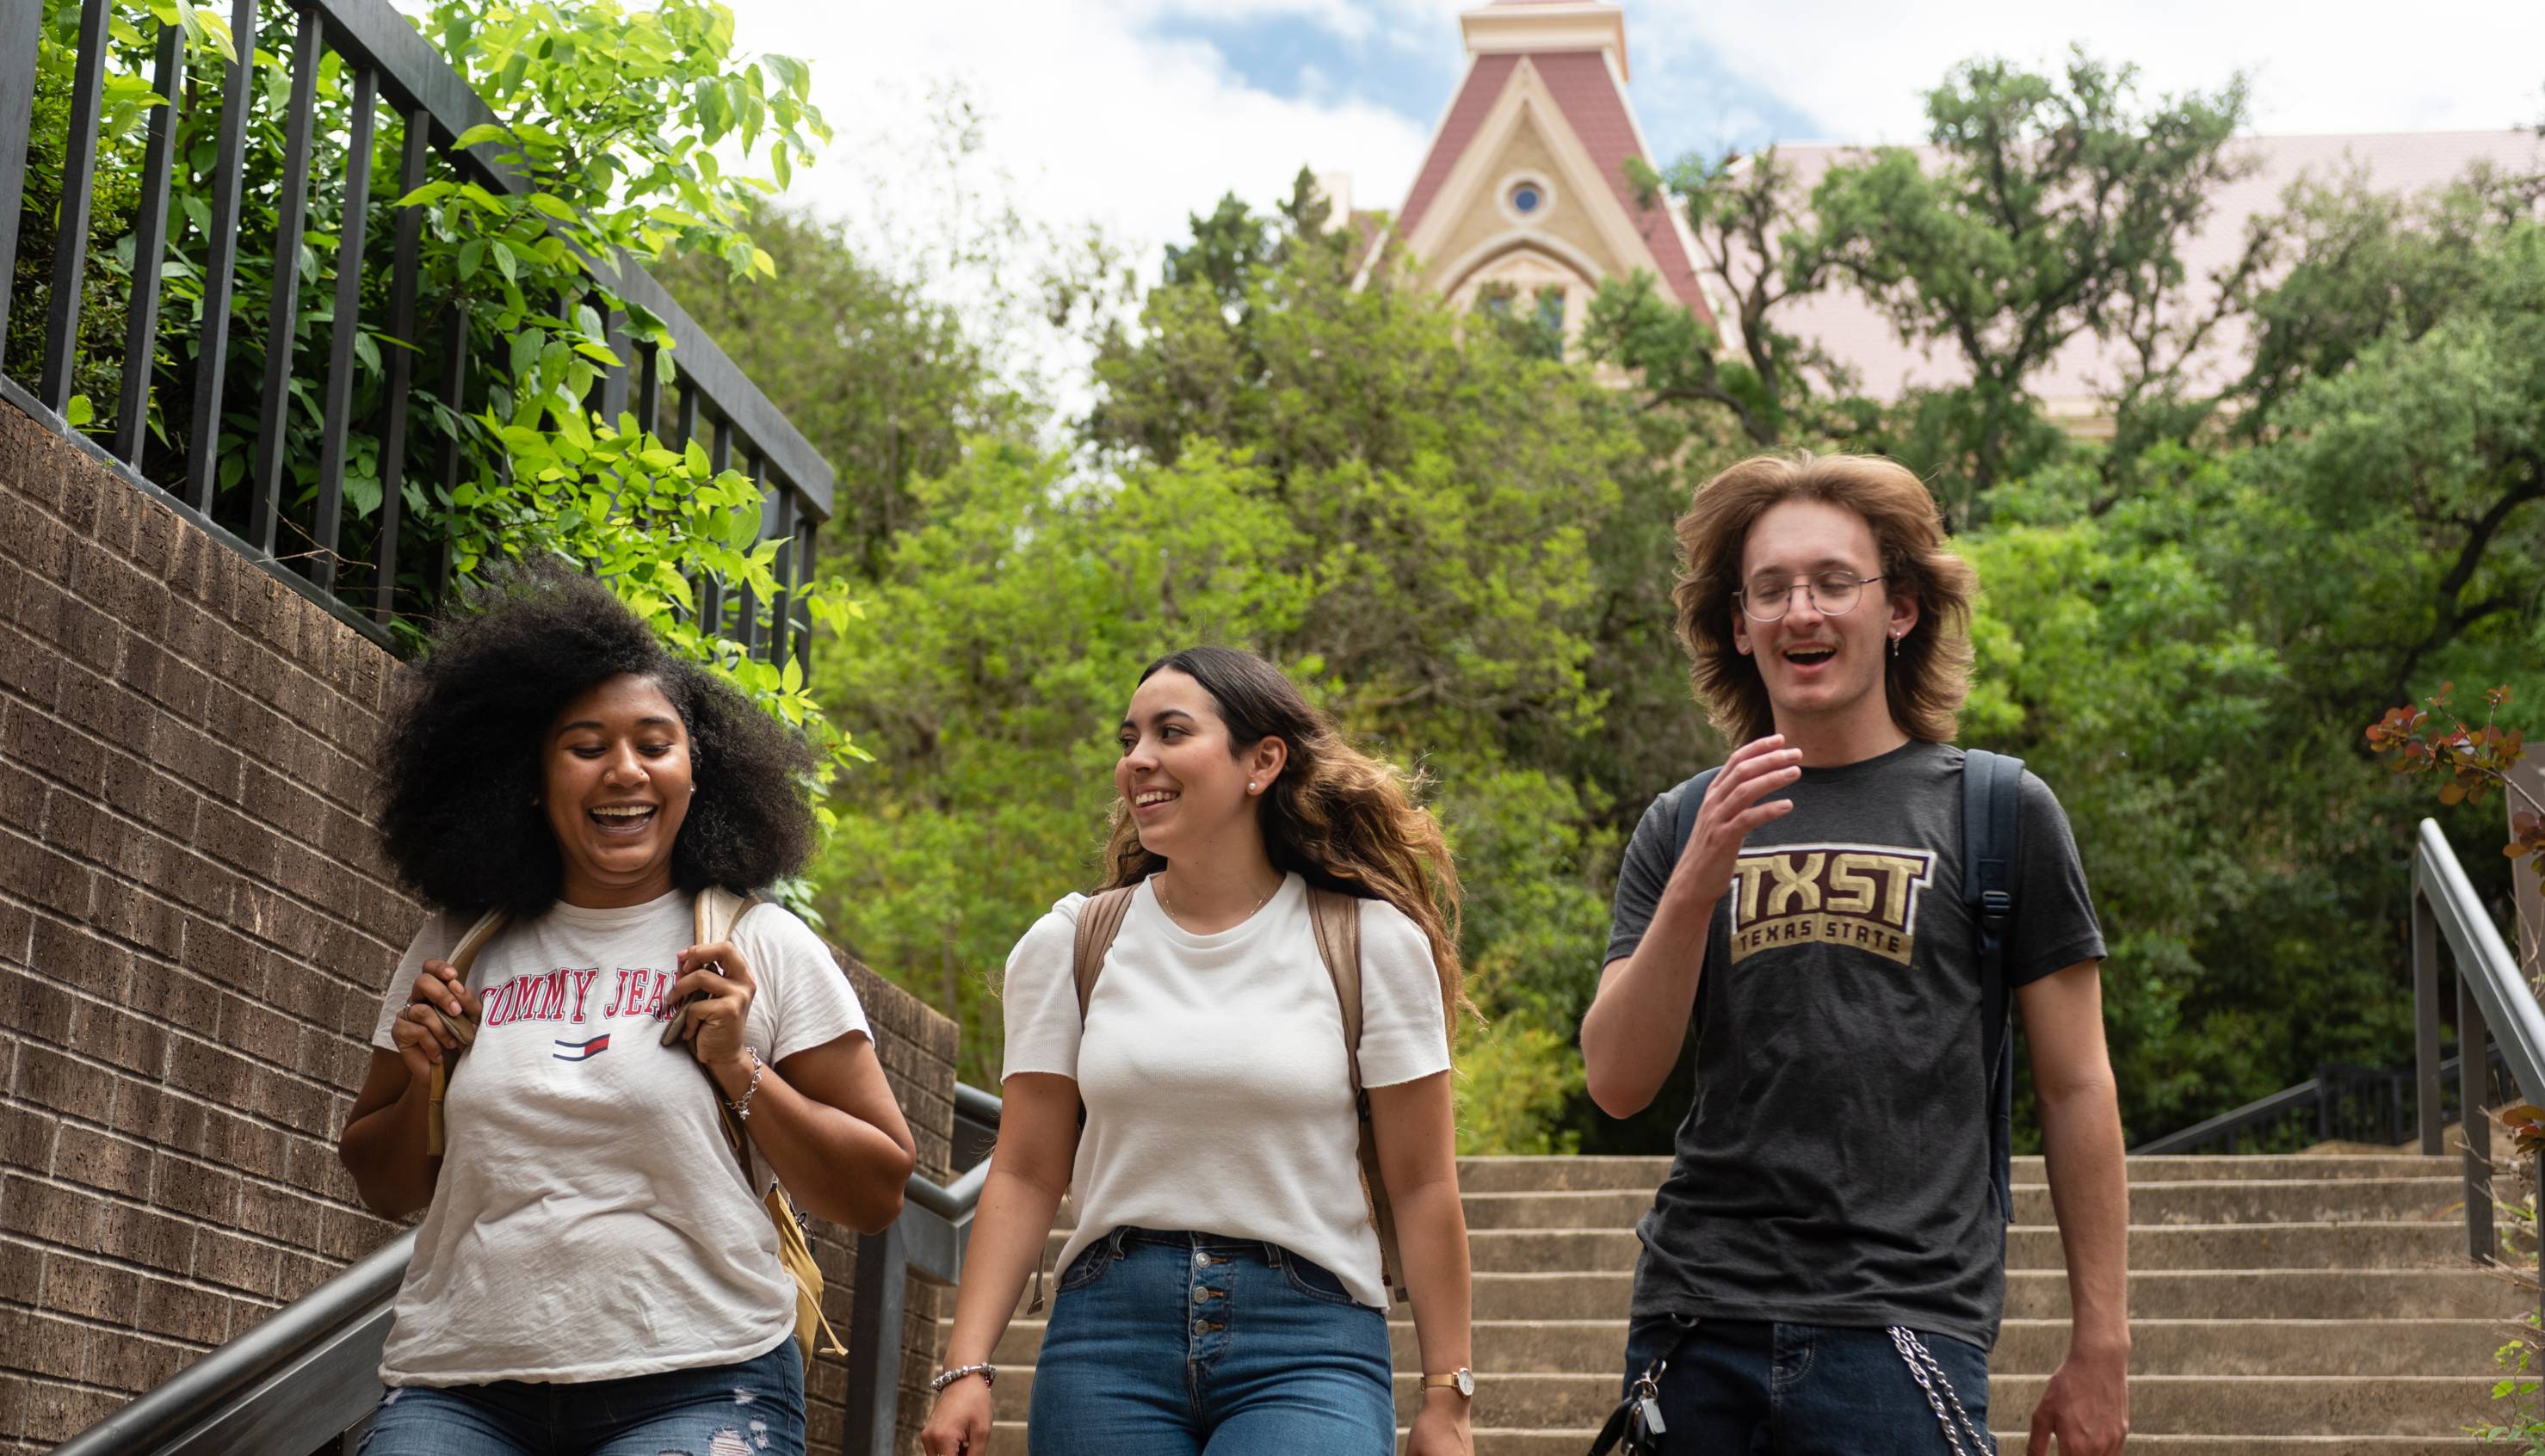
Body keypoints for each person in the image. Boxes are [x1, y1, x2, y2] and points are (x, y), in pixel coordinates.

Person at [1579, 453, 2128, 1455]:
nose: (1802, 612)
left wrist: (2101, 1342)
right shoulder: (1679, 825)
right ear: (1736, 625)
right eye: (1770, 589)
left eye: (1834, 582)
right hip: (1694, 1323)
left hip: (1904, 1326)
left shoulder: (1998, 809)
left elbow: (2076, 1086)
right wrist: (1699, 877)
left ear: (1900, 609)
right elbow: (1616, 1081)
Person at [337, 566, 917, 1456]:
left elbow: (876, 1190)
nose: (624, 771)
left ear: (697, 775)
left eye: (655, 743)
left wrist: (738, 1066)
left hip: (702, 1379)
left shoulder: (760, 944)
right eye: (585, 745)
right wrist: (419, 1075)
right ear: (530, 779)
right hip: (462, 1382)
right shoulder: (460, 945)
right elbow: (385, 1184)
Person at [920, 646, 1476, 1456]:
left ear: (1262, 762)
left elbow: (1422, 1182)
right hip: (1107, 1341)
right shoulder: (1069, 944)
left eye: (1170, 732)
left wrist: (1446, 1395)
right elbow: (1026, 1170)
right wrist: (964, 1366)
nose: (1137, 759)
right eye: (1128, 738)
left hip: (1310, 1342)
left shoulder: (1371, 944)